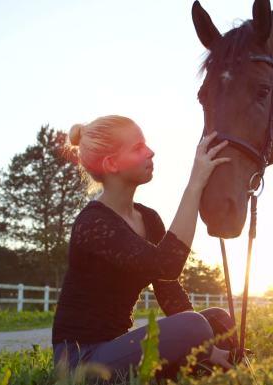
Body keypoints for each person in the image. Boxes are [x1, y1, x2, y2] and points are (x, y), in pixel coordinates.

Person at [52, 115, 237, 381]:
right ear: (111, 163)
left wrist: (204, 342)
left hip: (118, 349)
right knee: (195, 326)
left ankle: (216, 365)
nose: (150, 152)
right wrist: (196, 184)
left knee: (216, 320)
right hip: (82, 361)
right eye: (138, 148)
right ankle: (203, 366)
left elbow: (168, 286)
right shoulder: (93, 223)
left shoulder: (148, 218)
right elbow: (167, 263)